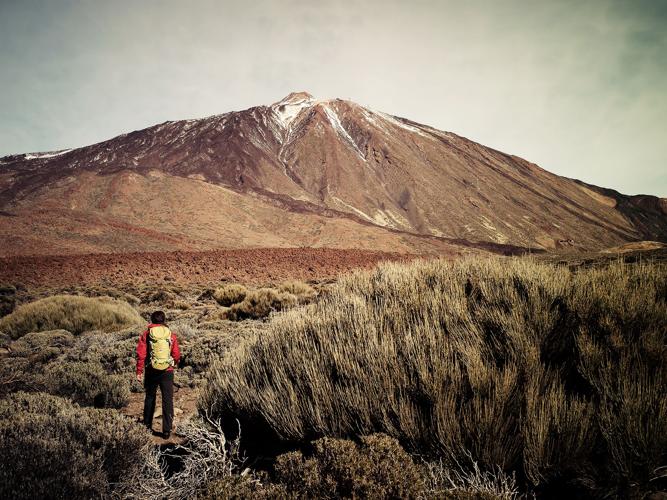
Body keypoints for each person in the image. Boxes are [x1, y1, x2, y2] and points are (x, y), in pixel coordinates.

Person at [136, 310, 181, 438]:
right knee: (167, 400)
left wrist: (139, 371)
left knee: (150, 397)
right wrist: (174, 363)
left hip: (151, 371)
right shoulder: (171, 335)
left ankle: (147, 426)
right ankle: (166, 431)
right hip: (167, 371)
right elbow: (176, 354)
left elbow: (141, 354)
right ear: (164, 320)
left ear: (152, 320)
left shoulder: (146, 334)